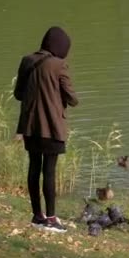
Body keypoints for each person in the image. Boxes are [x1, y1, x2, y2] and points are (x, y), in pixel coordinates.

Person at [14, 26, 78, 233]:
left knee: (34, 167)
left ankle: (37, 216)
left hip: (30, 126)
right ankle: (51, 219)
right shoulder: (59, 65)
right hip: (51, 126)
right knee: (49, 171)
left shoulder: (27, 61)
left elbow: (18, 94)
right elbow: (72, 97)